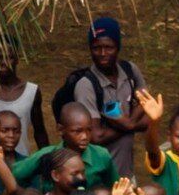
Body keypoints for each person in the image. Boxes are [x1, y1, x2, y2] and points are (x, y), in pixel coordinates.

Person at [60, 16, 148, 178]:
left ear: (118, 47)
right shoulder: (87, 85)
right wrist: (130, 124)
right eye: (96, 48)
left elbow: (149, 116)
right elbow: (95, 136)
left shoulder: (130, 71)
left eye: (109, 47)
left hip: (126, 174)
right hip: (98, 178)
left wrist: (126, 123)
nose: (102, 54)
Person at [0, 38, 49, 157]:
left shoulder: (31, 92)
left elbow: (39, 132)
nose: (3, 62)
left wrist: (48, 160)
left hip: (18, 162)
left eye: (9, 57)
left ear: (17, 59)